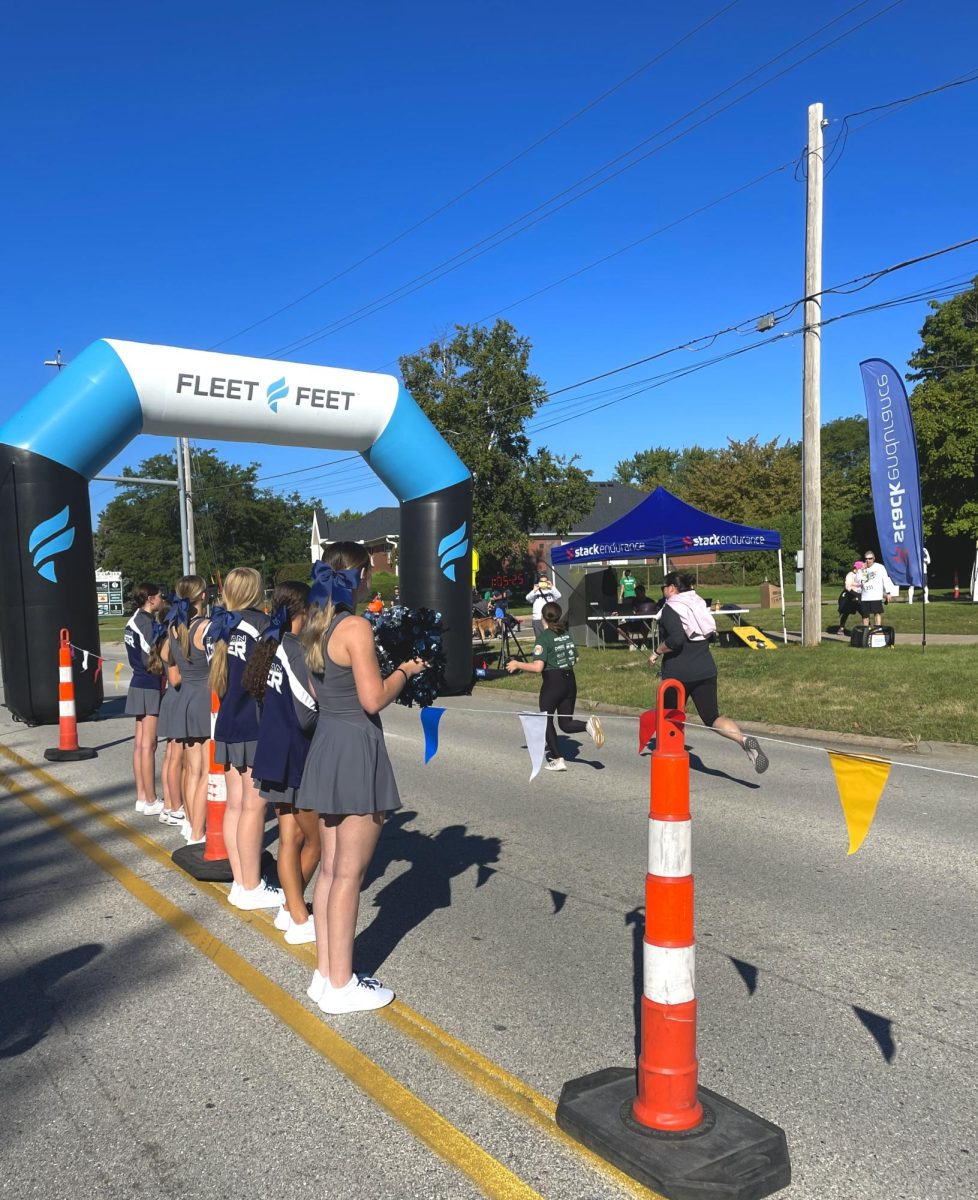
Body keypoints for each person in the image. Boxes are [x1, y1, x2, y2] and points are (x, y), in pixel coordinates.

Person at [299, 543, 426, 1015]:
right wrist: (406, 672)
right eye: (369, 575)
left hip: (328, 741)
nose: (373, 581)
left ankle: (325, 974)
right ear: (356, 578)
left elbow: (317, 689)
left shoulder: (315, 624)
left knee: (331, 872)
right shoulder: (354, 626)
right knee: (348, 875)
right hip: (354, 744)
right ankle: (341, 984)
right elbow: (373, 699)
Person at [245, 582, 320, 945]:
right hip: (294, 753)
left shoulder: (269, 646)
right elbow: (308, 713)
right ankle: (298, 914)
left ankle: (291, 907)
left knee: (289, 837)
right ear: (301, 612)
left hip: (271, 750)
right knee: (315, 841)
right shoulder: (293, 650)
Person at [209, 567, 285, 911]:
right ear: (255, 590)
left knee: (236, 805)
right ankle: (250, 884)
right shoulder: (260, 626)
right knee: (254, 807)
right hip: (255, 722)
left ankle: (240, 882)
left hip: (226, 721)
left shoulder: (218, 625)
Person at [648, 572, 768, 774]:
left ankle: (670, 763)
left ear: (671, 588)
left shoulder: (671, 608)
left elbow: (676, 640)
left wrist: (656, 652)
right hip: (705, 669)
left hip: (678, 674)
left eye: (663, 587)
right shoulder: (698, 603)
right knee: (712, 717)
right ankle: (743, 740)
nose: (663, 591)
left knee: (669, 717)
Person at [506, 600, 603, 772]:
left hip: (553, 682)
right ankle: (587, 725)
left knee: (545, 720)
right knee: (565, 723)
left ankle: (558, 759)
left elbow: (537, 667)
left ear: (543, 617)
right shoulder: (566, 633)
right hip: (570, 680)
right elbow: (576, 658)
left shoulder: (544, 637)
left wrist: (517, 664)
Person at [164, 575, 212, 844]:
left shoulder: (173, 625)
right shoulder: (205, 627)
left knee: (192, 770)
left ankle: (192, 825)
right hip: (204, 697)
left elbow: (168, 662)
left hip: (186, 698)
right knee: (204, 771)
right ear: (203, 595)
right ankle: (197, 831)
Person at [125, 582, 165, 816]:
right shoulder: (147, 624)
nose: (161, 600)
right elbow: (154, 657)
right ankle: (150, 798)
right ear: (150, 599)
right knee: (149, 745)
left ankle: (142, 796)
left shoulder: (132, 620)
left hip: (137, 682)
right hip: (149, 683)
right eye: (159, 596)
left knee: (140, 744)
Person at [859, 551, 896, 629]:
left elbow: (885, 580)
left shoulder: (880, 567)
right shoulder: (862, 568)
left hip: (875, 595)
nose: (868, 561)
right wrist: (861, 570)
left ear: (874, 558)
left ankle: (877, 630)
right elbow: (857, 580)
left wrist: (888, 592)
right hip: (865, 596)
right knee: (865, 616)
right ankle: (866, 633)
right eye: (866, 559)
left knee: (877, 613)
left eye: (870, 558)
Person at [526, 573, 561, 640]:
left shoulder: (551, 591)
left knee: (551, 637)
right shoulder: (535, 592)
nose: (543, 583)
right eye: (541, 582)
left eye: (545, 582)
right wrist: (534, 590)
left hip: (549, 618)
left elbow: (559, 596)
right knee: (540, 638)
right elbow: (528, 598)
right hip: (537, 618)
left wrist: (552, 587)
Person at [836, 561, 864, 636]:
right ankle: (841, 628)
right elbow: (847, 587)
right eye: (861, 567)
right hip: (850, 596)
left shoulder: (862, 575)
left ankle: (868, 627)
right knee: (846, 612)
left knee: (863, 612)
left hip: (860, 596)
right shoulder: (850, 575)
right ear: (857, 568)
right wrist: (856, 594)